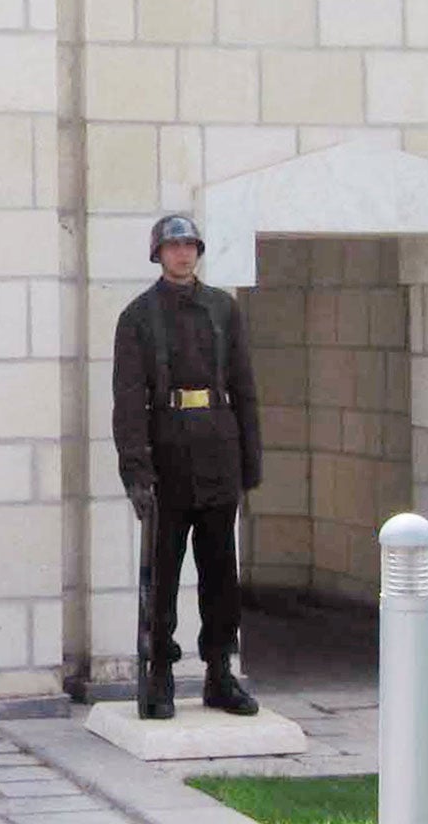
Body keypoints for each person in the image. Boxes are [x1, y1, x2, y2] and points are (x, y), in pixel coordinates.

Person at [112, 213, 261, 720]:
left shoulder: (223, 310)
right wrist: (135, 470)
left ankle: (221, 672)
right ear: (158, 253)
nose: (183, 253)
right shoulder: (138, 317)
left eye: (190, 245)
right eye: (173, 246)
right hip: (167, 455)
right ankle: (160, 674)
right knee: (165, 575)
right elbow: (128, 402)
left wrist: (249, 464)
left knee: (222, 573)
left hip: (218, 450)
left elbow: (243, 388)